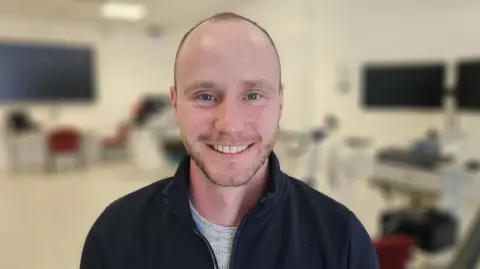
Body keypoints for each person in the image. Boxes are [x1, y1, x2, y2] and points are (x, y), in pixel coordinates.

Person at [80, 12, 379, 269]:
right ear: (175, 104)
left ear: (280, 102)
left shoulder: (342, 239)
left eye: (253, 95)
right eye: (206, 96)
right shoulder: (115, 234)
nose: (230, 125)